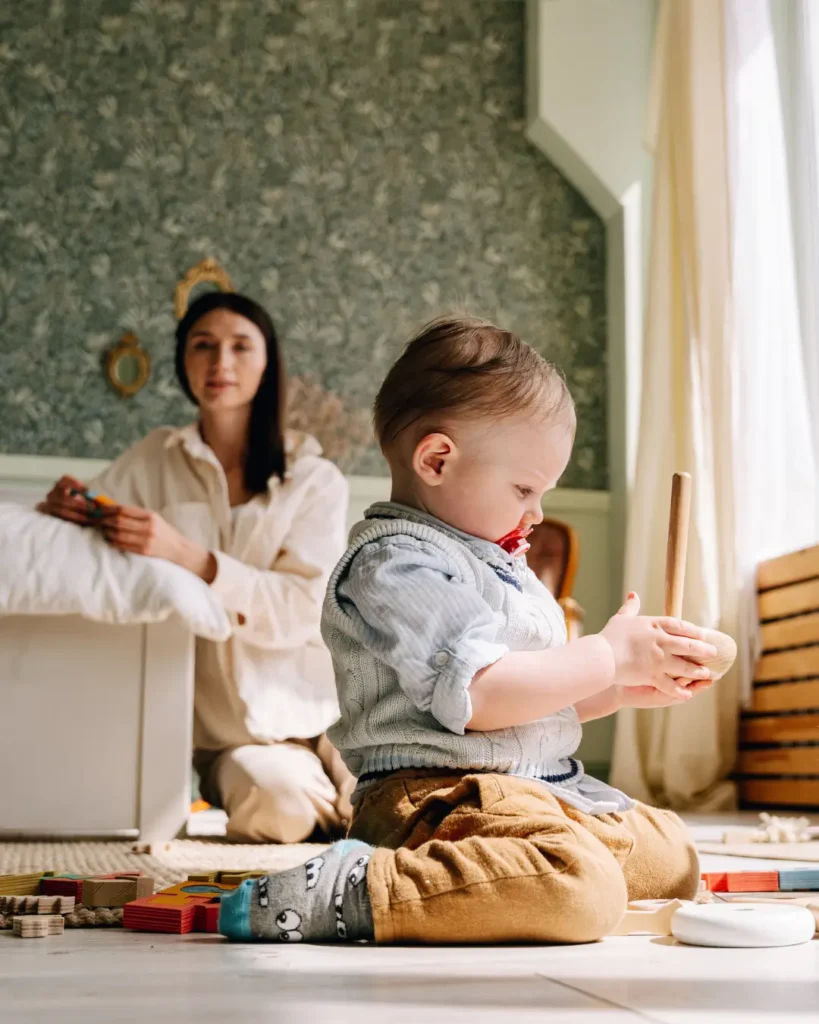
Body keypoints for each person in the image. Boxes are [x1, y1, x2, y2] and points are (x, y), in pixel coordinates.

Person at [217, 313, 729, 945]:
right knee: (579, 887)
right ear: (436, 459)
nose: (536, 512)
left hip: (529, 789)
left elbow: (529, 701)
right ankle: (360, 887)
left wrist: (622, 683)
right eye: (524, 487)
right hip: (436, 798)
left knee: (673, 858)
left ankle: (507, 883)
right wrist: (603, 654)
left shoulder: (494, 559)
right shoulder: (395, 563)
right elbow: (482, 696)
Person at [40, 291, 353, 843]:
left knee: (393, 803)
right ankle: (338, 808)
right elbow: (97, 522)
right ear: (183, 361)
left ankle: (351, 800)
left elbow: (305, 609)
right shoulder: (154, 459)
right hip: (233, 737)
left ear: (268, 361)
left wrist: (189, 556)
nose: (220, 363)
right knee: (278, 812)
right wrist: (67, 508)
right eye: (202, 346)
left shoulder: (314, 478)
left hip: (325, 711)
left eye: (240, 347)